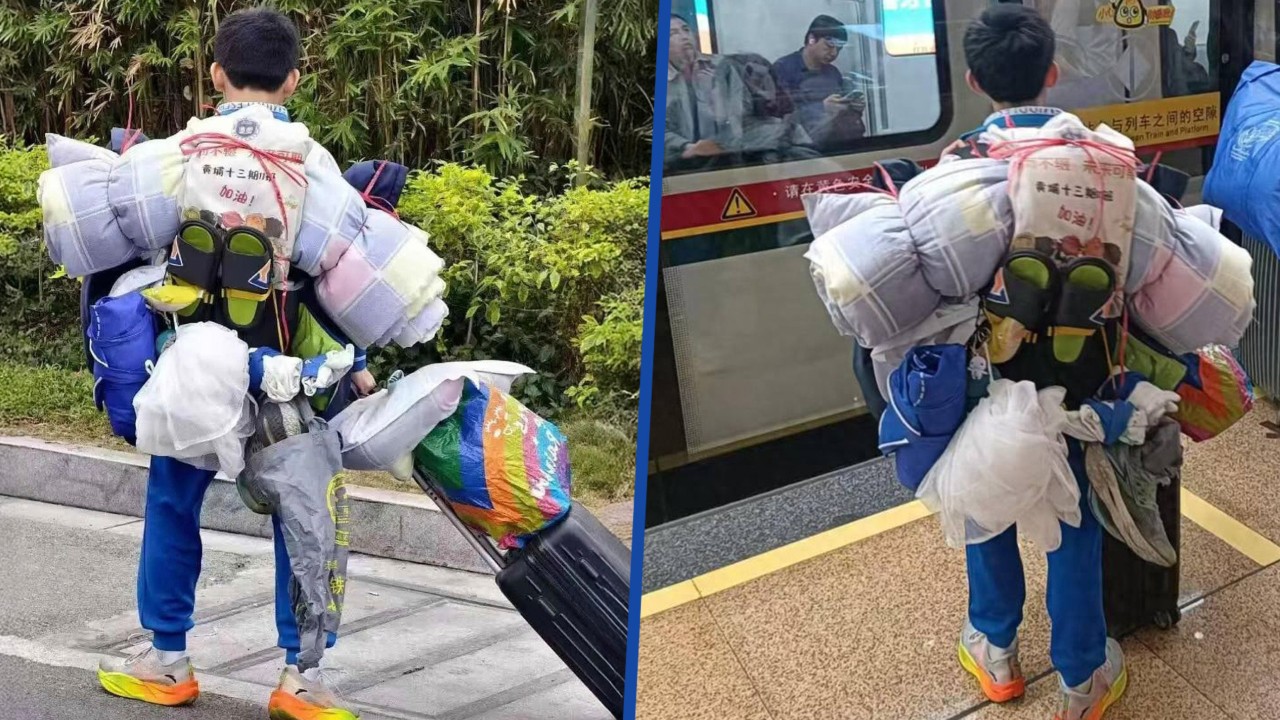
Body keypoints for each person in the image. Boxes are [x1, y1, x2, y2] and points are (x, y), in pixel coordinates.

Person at [93, 9, 369, 720]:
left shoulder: (181, 149)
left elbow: (133, 243)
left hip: (193, 360)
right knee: (301, 513)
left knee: (172, 505)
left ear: (215, 73)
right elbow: (340, 278)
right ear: (295, 80)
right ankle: (298, 677)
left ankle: (168, 662)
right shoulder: (311, 160)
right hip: (283, 363)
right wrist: (356, 364)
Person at [949, 6, 1128, 720]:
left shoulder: (961, 162)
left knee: (985, 500)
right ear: (1053, 75)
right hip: (1081, 369)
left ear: (972, 80)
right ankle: (1083, 679)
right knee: (1074, 515)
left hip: (990, 371)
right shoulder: (1101, 155)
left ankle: (996, 655)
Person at [771, 15, 867, 151]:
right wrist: (821, 108)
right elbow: (779, 118)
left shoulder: (833, 73)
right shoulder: (783, 69)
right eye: (829, 46)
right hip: (799, 149)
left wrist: (853, 107)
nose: (834, 53)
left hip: (836, 144)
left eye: (839, 49)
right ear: (812, 39)